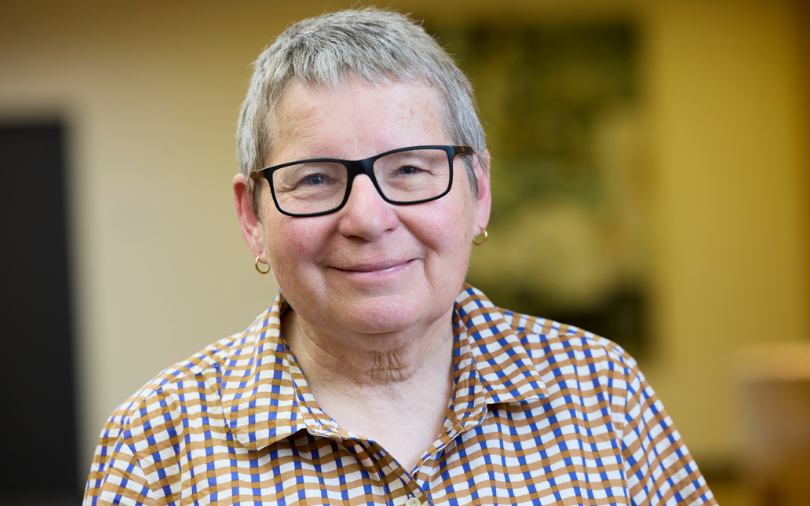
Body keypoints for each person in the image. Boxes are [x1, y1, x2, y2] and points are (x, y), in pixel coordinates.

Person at [83, 9, 715, 506]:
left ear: (480, 193)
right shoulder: (156, 446)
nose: (367, 218)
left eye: (410, 168)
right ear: (252, 216)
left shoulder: (602, 392)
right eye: (316, 179)